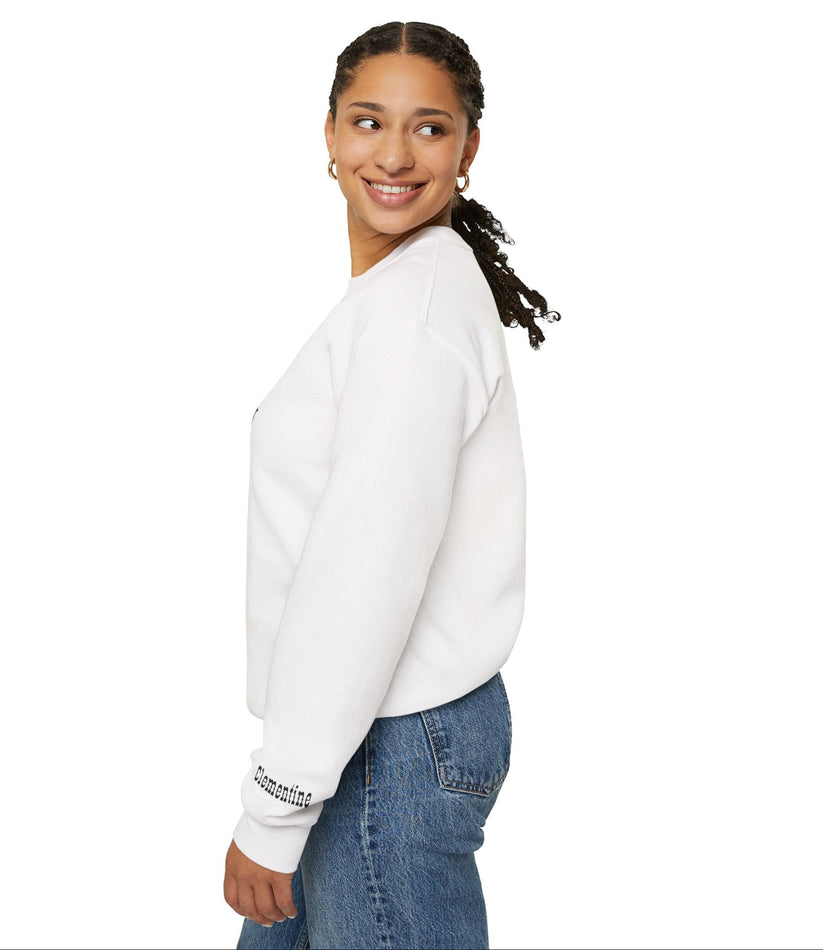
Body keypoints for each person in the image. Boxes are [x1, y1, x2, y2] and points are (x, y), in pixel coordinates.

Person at [223, 21, 561, 950]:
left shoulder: (413, 313)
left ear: (468, 149)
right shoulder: (403, 294)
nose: (395, 154)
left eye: (430, 128)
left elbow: (363, 571)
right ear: (328, 134)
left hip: (389, 746)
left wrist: (275, 809)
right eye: (369, 121)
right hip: (367, 738)